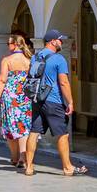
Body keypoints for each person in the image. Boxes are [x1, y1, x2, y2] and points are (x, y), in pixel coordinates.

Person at [25, 29, 87, 177]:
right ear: (52, 41)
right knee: (62, 134)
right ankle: (67, 167)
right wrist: (70, 102)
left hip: (37, 100)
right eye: (59, 40)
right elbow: (64, 82)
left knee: (34, 132)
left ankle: (28, 167)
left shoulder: (35, 57)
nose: (61, 42)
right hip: (53, 100)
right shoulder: (59, 59)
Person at [0, 32, 34, 167]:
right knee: (23, 127)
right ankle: (23, 156)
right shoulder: (29, 60)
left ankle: (15, 157)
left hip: (10, 97)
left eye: (9, 43)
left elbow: (2, 80)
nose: (7, 45)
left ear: (16, 44)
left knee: (10, 127)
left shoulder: (7, 60)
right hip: (25, 97)